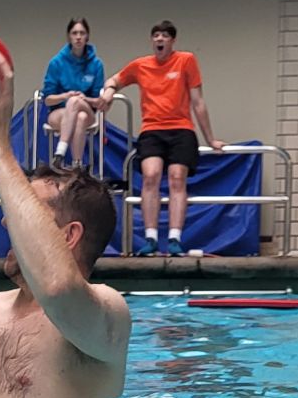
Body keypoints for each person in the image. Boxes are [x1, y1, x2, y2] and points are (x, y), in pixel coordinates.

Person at [0, 47, 131, 398]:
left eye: (29, 212)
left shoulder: (107, 316)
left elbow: (58, 288)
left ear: (69, 236)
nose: (9, 221)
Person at [96, 20, 226, 257]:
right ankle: (151, 238)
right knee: (151, 176)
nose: (160, 39)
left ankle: (175, 239)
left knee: (177, 179)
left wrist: (211, 139)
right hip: (152, 130)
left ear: (172, 41)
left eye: (165, 36)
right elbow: (113, 80)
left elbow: (198, 102)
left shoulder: (186, 60)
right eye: (156, 35)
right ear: (151, 40)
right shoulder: (140, 65)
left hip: (181, 129)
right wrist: (109, 92)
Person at [42, 17, 105, 169]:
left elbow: (99, 102)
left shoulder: (96, 64)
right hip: (59, 114)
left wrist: (84, 98)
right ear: (69, 36)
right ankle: (77, 166)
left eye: (82, 33)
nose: (78, 37)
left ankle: (60, 152)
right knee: (79, 117)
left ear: (87, 36)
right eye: (74, 33)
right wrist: (65, 95)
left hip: (87, 107)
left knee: (76, 103)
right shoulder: (57, 62)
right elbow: (47, 100)